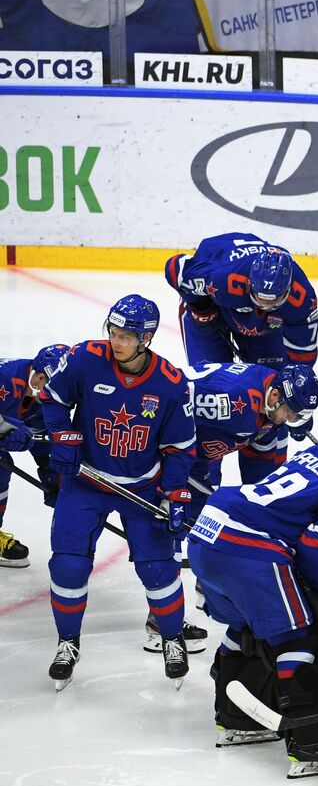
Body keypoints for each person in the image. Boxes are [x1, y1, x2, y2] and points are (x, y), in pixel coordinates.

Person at [187, 408, 318, 773]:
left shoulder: (306, 456)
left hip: (210, 527)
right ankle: (311, 742)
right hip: (249, 548)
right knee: (299, 639)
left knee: (249, 625)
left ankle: (236, 719)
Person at [37, 296, 197, 690]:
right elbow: (52, 398)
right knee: (68, 564)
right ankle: (67, 643)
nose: (116, 341)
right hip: (86, 484)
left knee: (158, 568)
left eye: (126, 335)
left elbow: (181, 446)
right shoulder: (85, 358)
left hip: (142, 486)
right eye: (112, 331)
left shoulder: (171, 383)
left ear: (146, 338)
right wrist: (62, 434)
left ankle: (171, 638)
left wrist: (175, 493)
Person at [165, 232, 318, 371]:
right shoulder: (223, 280)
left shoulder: (303, 298)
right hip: (218, 301)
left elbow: (303, 354)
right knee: (212, 382)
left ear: (288, 289)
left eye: (273, 301)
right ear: (249, 283)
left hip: (254, 317)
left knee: (273, 379)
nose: (265, 305)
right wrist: (202, 308)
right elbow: (175, 270)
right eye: (260, 298)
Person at [184, 362, 318, 516]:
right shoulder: (233, 399)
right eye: (290, 412)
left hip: (194, 454)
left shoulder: (271, 395)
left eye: (297, 416)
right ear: (275, 395)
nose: (290, 419)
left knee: (198, 513)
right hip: (172, 447)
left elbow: (258, 473)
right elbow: (172, 397)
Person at [0, 343, 67, 565]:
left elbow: (40, 435)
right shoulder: (5, 379)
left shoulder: (43, 399)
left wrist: (48, 469)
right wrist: (5, 428)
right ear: (38, 378)